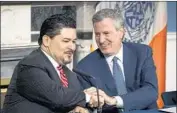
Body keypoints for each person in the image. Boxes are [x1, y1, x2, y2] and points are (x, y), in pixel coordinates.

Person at [2, 14, 104, 113]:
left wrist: (82, 109)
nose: (72, 47)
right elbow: (58, 97)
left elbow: (74, 99)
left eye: (73, 42)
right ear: (46, 41)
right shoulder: (30, 66)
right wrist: (87, 96)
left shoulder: (70, 74)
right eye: (66, 41)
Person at [76, 8, 158, 113]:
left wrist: (114, 100)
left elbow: (151, 91)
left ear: (121, 33)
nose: (101, 40)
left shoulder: (142, 53)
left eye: (106, 33)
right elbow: (89, 105)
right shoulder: (84, 67)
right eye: (97, 34)